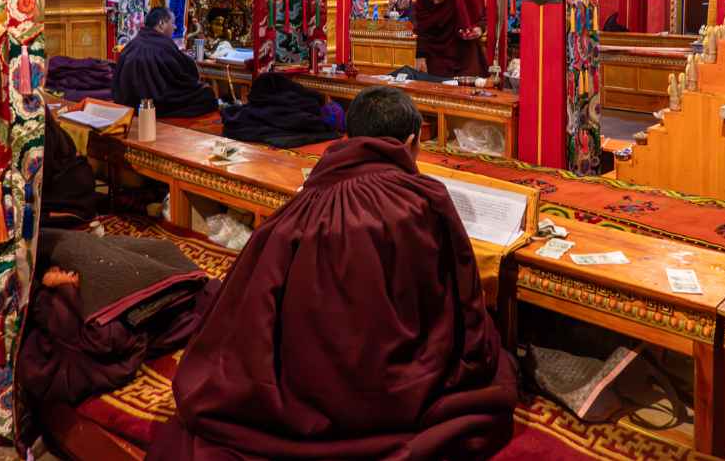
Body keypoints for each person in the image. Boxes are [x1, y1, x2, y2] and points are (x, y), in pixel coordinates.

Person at [149, 86, 518, 460]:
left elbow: (258, 296)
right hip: (400, 381)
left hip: (306, 382)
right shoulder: (422, 198)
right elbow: (459, 292)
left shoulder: (300, 207)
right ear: (412, 142)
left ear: (349, 136)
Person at [112, 7, 217, 118]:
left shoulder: (132, 44)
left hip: (128, 101)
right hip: (157, 102)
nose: (175, 27)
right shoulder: (163, 44)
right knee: (207, 94)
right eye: (172, 23)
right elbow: (183, 74)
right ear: (161, 23)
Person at [414, 0, 488, 78]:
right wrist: (420, 55)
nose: (435, 2)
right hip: (436, 48)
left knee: (466, 84)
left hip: (463, 47)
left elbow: (483, 14)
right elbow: (422, 27)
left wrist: (480, 28)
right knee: (436, 82)